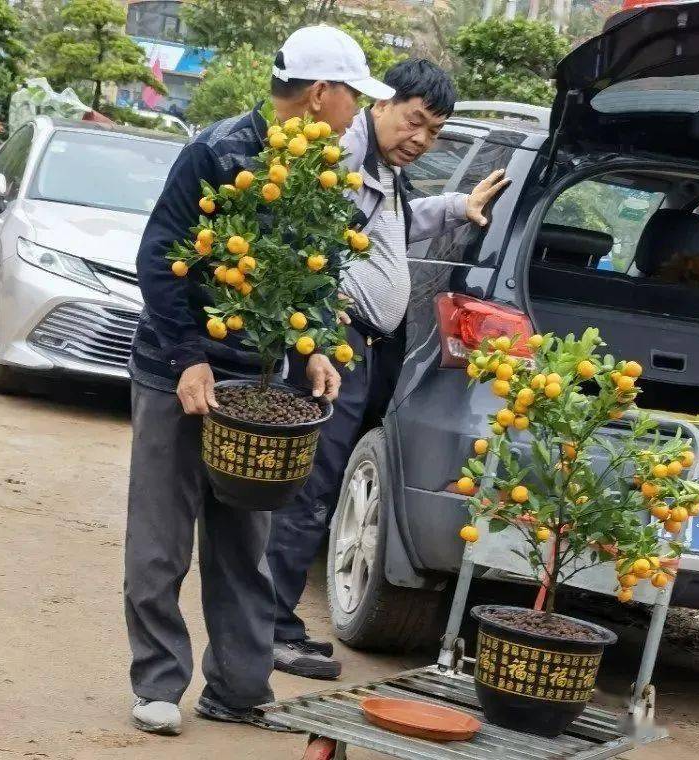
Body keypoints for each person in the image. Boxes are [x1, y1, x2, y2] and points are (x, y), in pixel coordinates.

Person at [125, 25, 395, 737]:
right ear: (319, 95)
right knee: (161, 536)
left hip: (258, 383)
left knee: (245, 539)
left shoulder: (318, 174)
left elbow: (312, 274)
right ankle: (157, 683)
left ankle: (238, 688)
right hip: (175, 373)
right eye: (352, 99)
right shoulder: (217, 154)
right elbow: (160, 259)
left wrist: (316, 349)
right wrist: (189, 356)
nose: (356, 115)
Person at [267, 59, 511, 680]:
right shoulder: (346, 155)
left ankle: (275, 617)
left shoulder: (380, 168)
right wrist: (319, 329)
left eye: (434, 133)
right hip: (332, 344)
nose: (421, 140)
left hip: (364, 346)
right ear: (380, 103)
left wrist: (460, 205)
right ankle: (269, 625)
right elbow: (306, 240)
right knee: (311, 483)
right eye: (415, 121)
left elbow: (388, 231)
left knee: (319, 483)